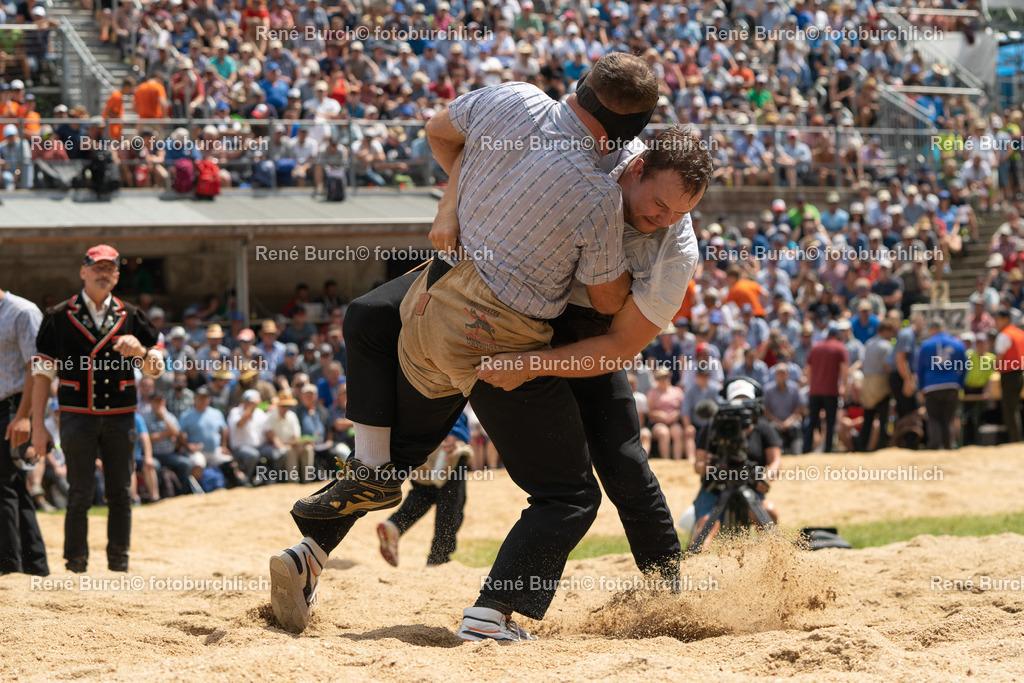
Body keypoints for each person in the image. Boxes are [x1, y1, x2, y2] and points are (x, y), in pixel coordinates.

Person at [271, 79, 707, 640]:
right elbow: (471, 148)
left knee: (621, 462)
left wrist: (537, 364)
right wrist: (449, 206)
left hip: (580, 337)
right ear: (634, 166)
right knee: (378, 357)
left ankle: (666, 597)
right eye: (659, 206)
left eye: (681, 213)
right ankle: (315, 552)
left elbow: (617, 346)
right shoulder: (597, 149)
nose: (664, 220)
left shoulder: (676, 249)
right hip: (493, 306)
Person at [29, 245, 162, 573]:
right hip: (77, 415)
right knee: (79, 494)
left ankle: (119, 563)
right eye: (97, 267)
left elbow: (156, 370)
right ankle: (75, 564)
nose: (104, 273)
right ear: (83, 271)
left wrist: (142, 353)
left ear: (117, 275)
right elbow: (41, 374)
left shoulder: (131, 315)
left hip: (121, 416)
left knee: (120, 493)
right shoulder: (59, 316)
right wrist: (37, 424)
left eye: (110, 269)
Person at [692, 379, 780, 551]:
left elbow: (775, 460)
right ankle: (696, 567)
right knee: (706, 525)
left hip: (751, 487)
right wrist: (712, 467)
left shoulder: (764, 428)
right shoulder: (712, 426)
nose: (741, 410)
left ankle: (770, 560)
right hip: (715, 488)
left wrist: (765, 479)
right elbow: (698, 465)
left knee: (769, 512)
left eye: (746, 402)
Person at [377, 414, 472, 567]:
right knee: (451, 501)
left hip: (411, 440)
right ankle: (439, 557)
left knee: (423, 493)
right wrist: (455, 432)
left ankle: (395, 525)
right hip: (443, 435)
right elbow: (450, 394)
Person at [0, 285, 48, 576]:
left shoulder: (23, 311)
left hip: (15, 408)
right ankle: (33, 565)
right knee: (13, 486)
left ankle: (10, 566)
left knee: (4, 485)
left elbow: (38, 366)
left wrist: (24, 417)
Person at [916, 318, 967, 450]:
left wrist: (921, 388)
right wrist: (960, 383)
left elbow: (919, 369)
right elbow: (965, 366)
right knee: (949, 418)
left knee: (934, 418)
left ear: (932, 329)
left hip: (931, 386)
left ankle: (935, 446)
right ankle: (949, 445)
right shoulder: (957, 344)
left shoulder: (926, 345)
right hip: (952, 385)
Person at [804, 323, 849, 453]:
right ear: (837, 336)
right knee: (830, 423)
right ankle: (827, 450)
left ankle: (806, 449)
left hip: (815, 391)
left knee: (812, 422)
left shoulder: (815, 347)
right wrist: (845, 388)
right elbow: (845, 370)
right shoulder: (839, 348)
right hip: (831, 391)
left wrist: (811, 385)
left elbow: (808, 370)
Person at [993, 308, 1024, 443]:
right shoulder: (1020, 333)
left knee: (1009, 410)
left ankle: (1015, 440)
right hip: (1020, 374)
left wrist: (995, 368)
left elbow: (999, 358)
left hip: (1009, 375)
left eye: (998, 319)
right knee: (1014, 408)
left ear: (1006, 319)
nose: (996, 323)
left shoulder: (1004, 335)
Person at [763, 364, 806, 455]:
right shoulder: (768, 389)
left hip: (790, 420)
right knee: (771, 428)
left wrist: (788, 421)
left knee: (796, 427)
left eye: (783, 373)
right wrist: (778, 423)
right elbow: (766, 410)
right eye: (779, 373)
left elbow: (798, 407)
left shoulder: (794, 388)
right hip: (774, 421)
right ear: (775, 375)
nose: (781, 376)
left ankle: (797, 454)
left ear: (788, 375)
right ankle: (776, 453)